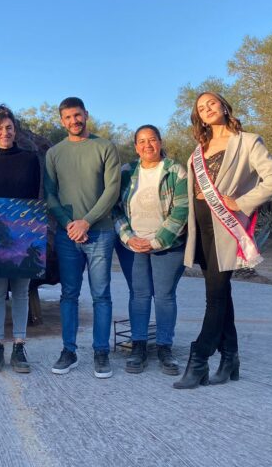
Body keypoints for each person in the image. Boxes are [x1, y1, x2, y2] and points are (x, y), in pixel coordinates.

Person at [173, 91, 272, 389]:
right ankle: (230, 358)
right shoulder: (198, 150)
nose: (207, 109)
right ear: (198, 116)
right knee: (221, 293)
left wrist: (241, 202)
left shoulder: (248, 141)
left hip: (226, 226)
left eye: (211, 103)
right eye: (201, 107)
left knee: (216, 295)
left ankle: (199, 357)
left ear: (224, 106)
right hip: (201, 225)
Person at [44, 97, 121, 378]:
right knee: (69, 295)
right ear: (62, 121)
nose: (74, 121)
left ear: (86, 114)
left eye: (77, 115)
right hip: (68, 236)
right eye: (67, 117)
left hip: (100, 233)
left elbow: (112, 191)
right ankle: (69, 351)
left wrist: (86, 221)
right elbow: (50, 195)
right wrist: (69, 225)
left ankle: (101, 352)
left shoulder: (105, 147)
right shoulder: (54, 153)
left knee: (101, 294)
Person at [114, 125, 188, 375]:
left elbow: (181, 211)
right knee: (139, 295)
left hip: (167, 245)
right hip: (132, 246)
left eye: (152, 140)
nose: (147, 145)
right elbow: (116, 209)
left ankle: (165, 347)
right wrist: (129, 237)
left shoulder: (175, 171)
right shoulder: (127, 172)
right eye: (142, 141)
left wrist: (155, 241)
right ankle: (139, 346)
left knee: (165, 296)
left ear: (160, 142)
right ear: (136, 146)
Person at [0, 105, 41, 374]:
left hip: (25, 235)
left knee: (21, 292)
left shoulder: (30, 159)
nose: (5, 132)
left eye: (9, 128)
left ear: (15, 131)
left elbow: (35, 198)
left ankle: (18, 344)